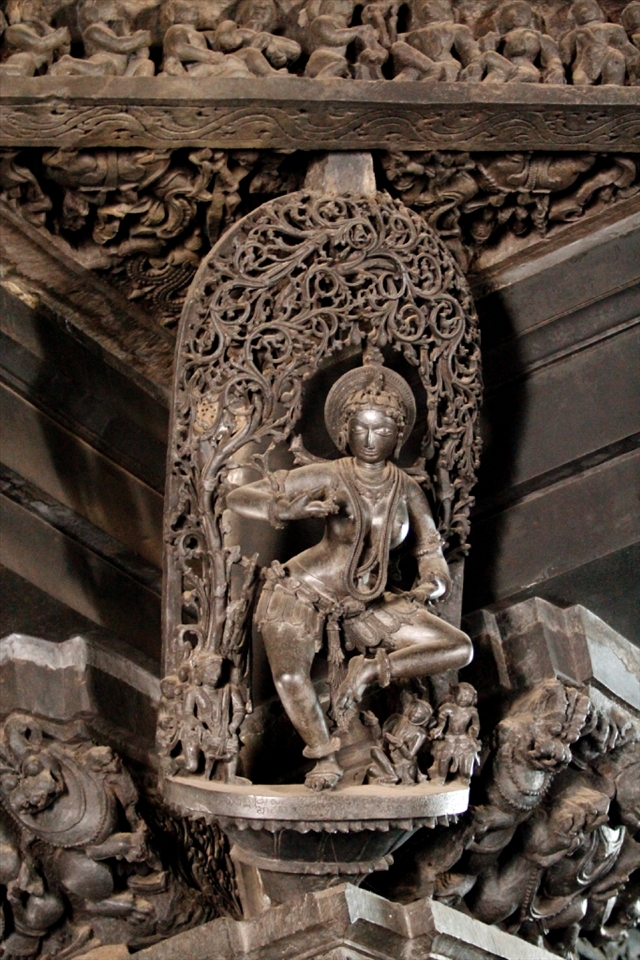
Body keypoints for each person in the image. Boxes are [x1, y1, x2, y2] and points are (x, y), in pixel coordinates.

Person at [226, 363, 473, 791]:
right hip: (304, 589)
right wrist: (284, 509)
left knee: (458, 647)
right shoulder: (331, 473)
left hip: (368, 600)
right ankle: (323, 754)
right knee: (290, 677)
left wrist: (431, 584)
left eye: (382, 431)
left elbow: (430, 554)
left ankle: (369, 670)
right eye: (362, 429)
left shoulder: (407, 489)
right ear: (346, 432)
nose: (371, 440)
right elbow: (239, 497)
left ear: (398, 435)